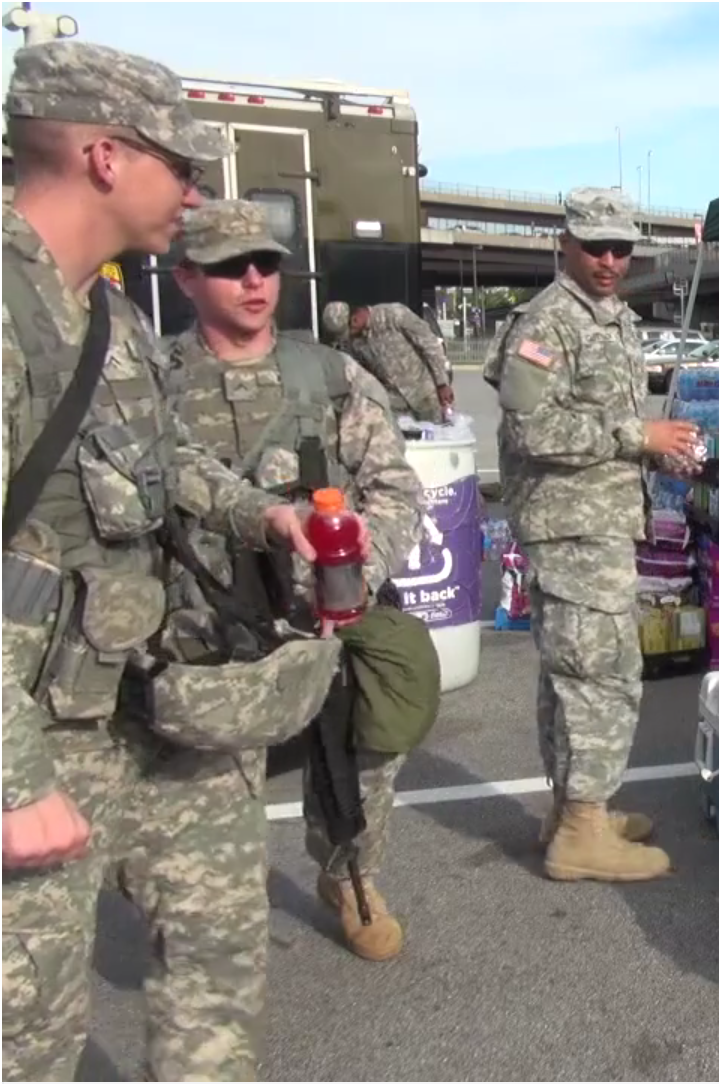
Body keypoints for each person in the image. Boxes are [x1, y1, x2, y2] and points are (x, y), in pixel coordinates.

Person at [1, 40, 355, 1080]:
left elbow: (166, 459)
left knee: (217, 954)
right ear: (106, 156)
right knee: (29, 1029)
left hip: (145, 701)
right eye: (182, 165)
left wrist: (265, 519)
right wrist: (16, 782)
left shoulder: (107, 315)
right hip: (33, 734)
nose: (196, 193)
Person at [147, 199, 427, 963]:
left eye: (265, 264)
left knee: (364, 751)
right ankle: (206, 913)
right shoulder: (153, 384)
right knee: (207, 785)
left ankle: (351, 877)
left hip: (324, 611)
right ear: (185, 279)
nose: (251, 279)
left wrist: (359, 576)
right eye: (228, 267)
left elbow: (396, 486)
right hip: (207, 621)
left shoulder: (330, 374)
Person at [482, 186, 700, 883]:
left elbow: (599, 423)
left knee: (575, 672)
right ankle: (581, 828)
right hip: (571, 528)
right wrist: (636, 434)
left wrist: (653, 450)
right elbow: (530, 428)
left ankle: (580, 810)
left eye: (621, 249)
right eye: (595, 246)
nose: (609, 260)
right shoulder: (547, 323)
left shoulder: (610, 319)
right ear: (565, 244)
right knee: (600, 675)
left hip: (596, 522)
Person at [323, 298, 455, 423]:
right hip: (395, 405)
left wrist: (442, 384)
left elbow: (430, 345)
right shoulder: (354, 342)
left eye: (349, 331)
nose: (349, 337)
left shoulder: (394, 315)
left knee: (437, 441)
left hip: (426, 394)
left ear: (355, 320)